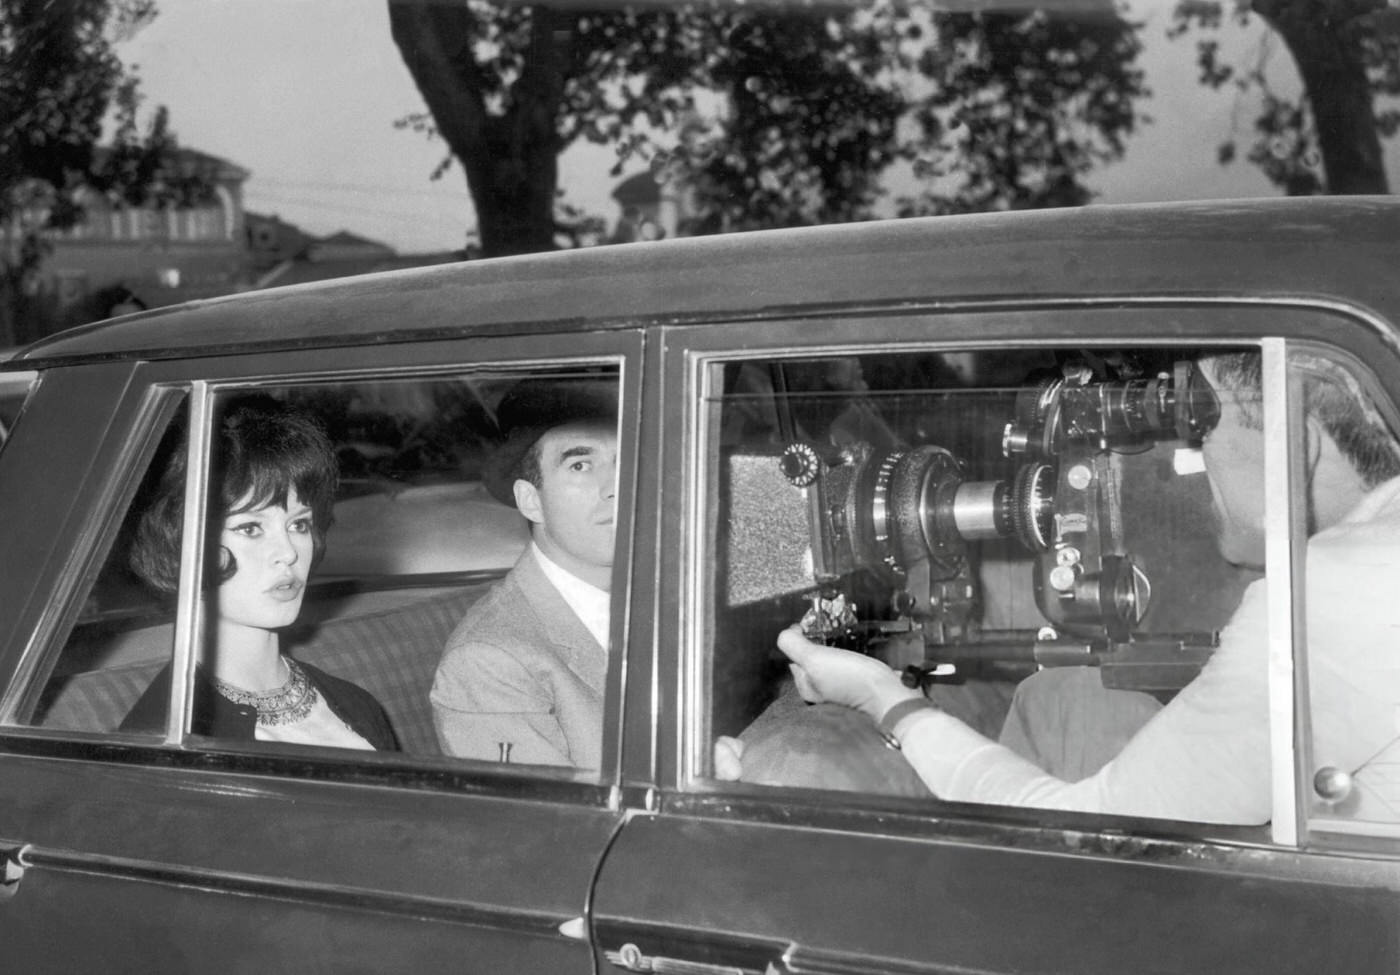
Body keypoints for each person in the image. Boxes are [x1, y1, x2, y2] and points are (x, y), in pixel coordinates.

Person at [761, 350, 1400, 824]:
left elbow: (1093, 830)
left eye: (1204, 428)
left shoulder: (1335, 596)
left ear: (1300, 441)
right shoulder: (1368, 552)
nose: (1191, 457)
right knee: (1067, 695)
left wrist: (883, 698)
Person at [121, 397, 399, 750]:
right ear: (179, 541)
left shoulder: (357, 705)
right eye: (251, 528)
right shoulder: (169, 741)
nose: (288, 552)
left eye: (299, 524)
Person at [430, 378, 618, 768]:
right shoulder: (488, 662)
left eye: (629, 462)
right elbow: (556, 826)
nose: (616, 487)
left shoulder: (671, 601)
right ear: (531, 501)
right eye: (581, 465)